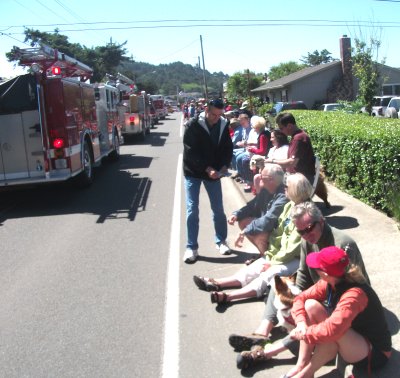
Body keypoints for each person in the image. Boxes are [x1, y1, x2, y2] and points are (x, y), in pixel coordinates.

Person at [232, 201, 370, 368]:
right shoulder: (307, 240)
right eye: (300, 231)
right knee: (279, 286)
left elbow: (346, 287)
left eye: (309, 228)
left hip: (340, 301)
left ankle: (268, 353)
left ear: (321, 221)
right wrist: (293, 295)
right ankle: (262, 332)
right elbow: (304, 275)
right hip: (322, 291)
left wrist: (302, 309)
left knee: (307, 313)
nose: (306, 234)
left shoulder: (342, 245)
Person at [192, 173, 312, 305]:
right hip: (282, 254)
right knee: (254, 268)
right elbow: (277, 233)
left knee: (269, 273)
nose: (284, 188)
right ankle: (218, 283)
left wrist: (272, 262)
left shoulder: (305, 214)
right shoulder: (290, 206)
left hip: (298, 259)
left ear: (296, 190)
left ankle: (228, 297)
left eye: (287, 186)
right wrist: (270, 254)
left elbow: (292, 249)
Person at [284, 246, 391, 378]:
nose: (314, 269)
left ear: (325, 273)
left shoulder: (354, 295)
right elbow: (300, 298)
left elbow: (333, 330)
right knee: (310, 305)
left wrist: (305, 334)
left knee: (332, 333)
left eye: (317, 268)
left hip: (374, 353)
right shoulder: (331, 281)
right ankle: (301, 365)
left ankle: (304, 374)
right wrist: (301, 323)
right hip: (351, 336)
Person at [182, 98, 233, 263]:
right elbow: (190, 152)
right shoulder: (193, 124)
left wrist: (224, 165)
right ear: (206, 110)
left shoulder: (223, 125)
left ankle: (221, 241)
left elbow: (227, 147)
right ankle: (191, 247)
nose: (216, 118)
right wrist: (207, 168)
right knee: (192, 209)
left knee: (218, 209)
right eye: (213, 114)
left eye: (219, 115)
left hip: (214, 173)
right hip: (193, 171)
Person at [266, 112, 330, 208]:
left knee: (272, 186)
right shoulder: (299, 135)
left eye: (282, 128)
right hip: (297, 175)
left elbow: (291, 163)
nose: (281, 131)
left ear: (290, 126)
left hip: (301, 179)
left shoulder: (298, 139)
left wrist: (271, 161)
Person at [228, 163, 288, 260]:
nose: (260, 179)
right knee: (243, 221)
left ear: (271, 179)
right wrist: (237, 214)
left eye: (262, 177)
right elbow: (252, 205)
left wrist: (246, 230)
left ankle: (268, 261)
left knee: (259, 233)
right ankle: (263, 255)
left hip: (278, 232)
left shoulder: (283, 196)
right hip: (269, 226)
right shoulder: (266, 190)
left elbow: (269, 220)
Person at [253, 129, 289, 194]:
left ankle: (266, 198)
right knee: (257, 177)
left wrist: (271, 161)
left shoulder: (285, 148)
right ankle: (260, 198)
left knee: (261, 181)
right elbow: (267, 161)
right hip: (268, 172)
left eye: (272, 137)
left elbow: (284, 165)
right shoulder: (272, 149)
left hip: (279, 174)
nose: (270, 139)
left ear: (279, 138)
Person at [242, 116, 271, 193]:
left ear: (258, 127)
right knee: (250, 160)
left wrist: (251, 149)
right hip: (266, 155)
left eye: (254, 127)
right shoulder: (265, 133)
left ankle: (253, 184)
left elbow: (262, 151)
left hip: (264, 157)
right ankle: (253, 183)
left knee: (251, 162)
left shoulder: (262, 136)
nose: (253, 129)